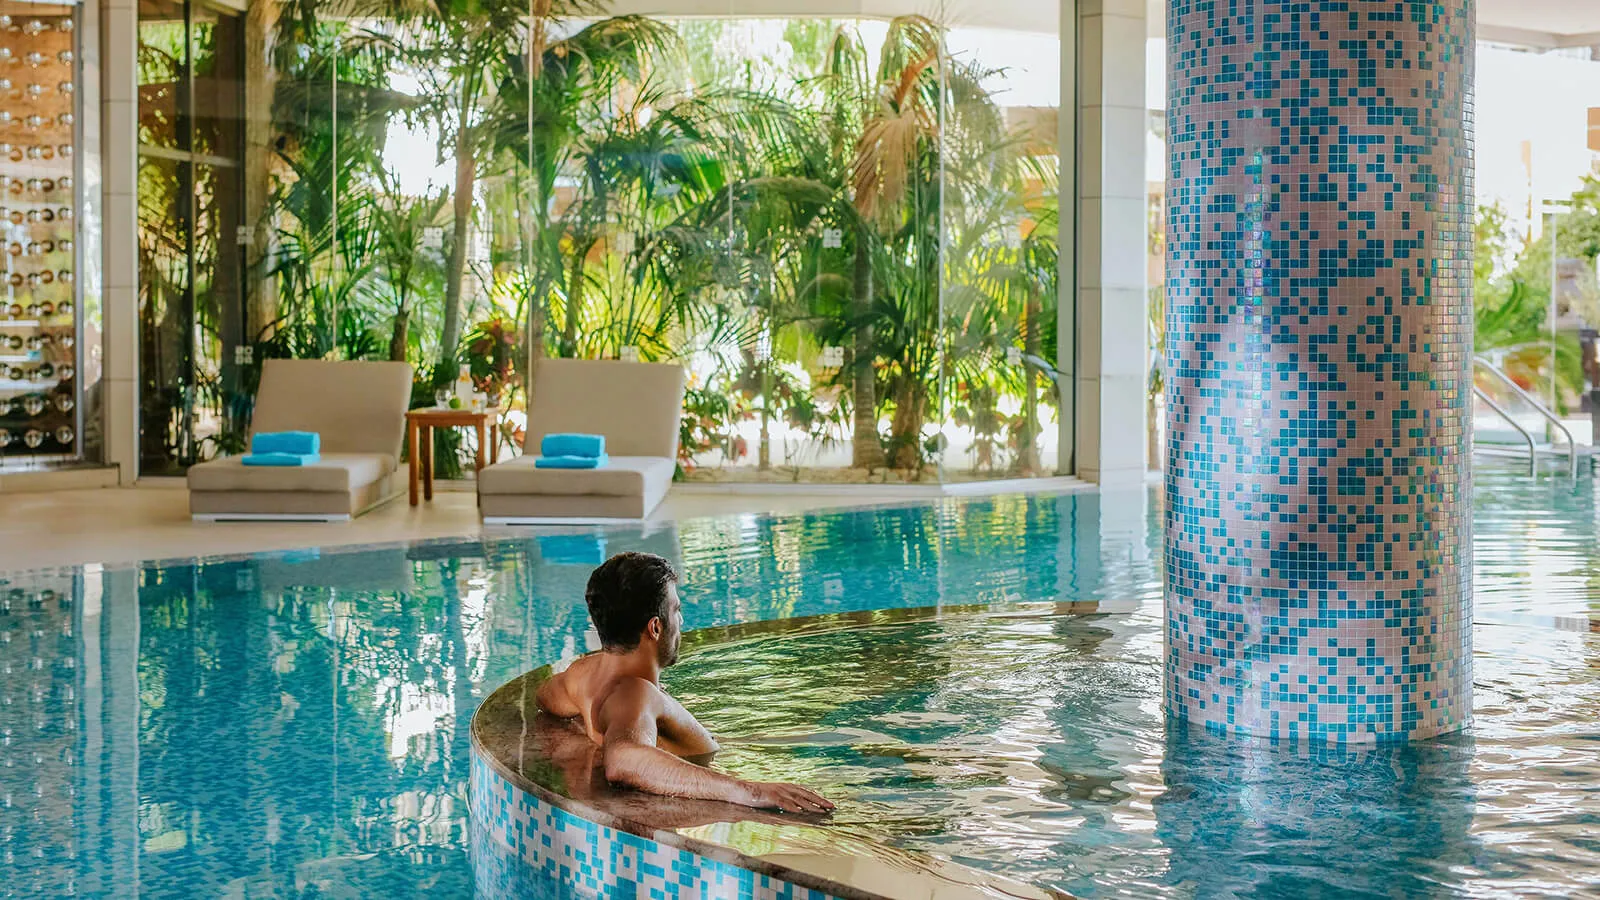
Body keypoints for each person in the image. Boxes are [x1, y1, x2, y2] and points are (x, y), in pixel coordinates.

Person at [536, 551, 835, 815]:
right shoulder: (634, 692)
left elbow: (544, 697)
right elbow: (623, 760)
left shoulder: (581, 674)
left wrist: (592, 727)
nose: (681, 621)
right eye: (676, 610)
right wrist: (751, 792)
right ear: (655, 627)